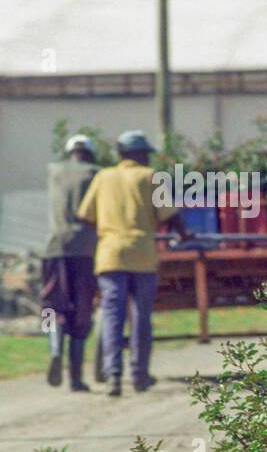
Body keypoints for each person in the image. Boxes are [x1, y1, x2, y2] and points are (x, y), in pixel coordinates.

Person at [76, 130, 190, 397]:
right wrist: (183, 234)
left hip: (110, 255)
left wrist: (107, 226)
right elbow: (170, 215)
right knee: (141, 316)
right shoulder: (150, 177)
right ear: (138, 154)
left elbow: (84, 216)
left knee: (113, 316)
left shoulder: (103, 177)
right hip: (142, 255)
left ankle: (113, 375)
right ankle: (139, 375)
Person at [41, 135, 100, 391]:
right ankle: (76, 377)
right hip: (86, 249)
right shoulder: (97, 173)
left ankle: (53, 349)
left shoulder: (52, 170)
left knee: (50, 306)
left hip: (53, 248)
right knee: (81, 313)